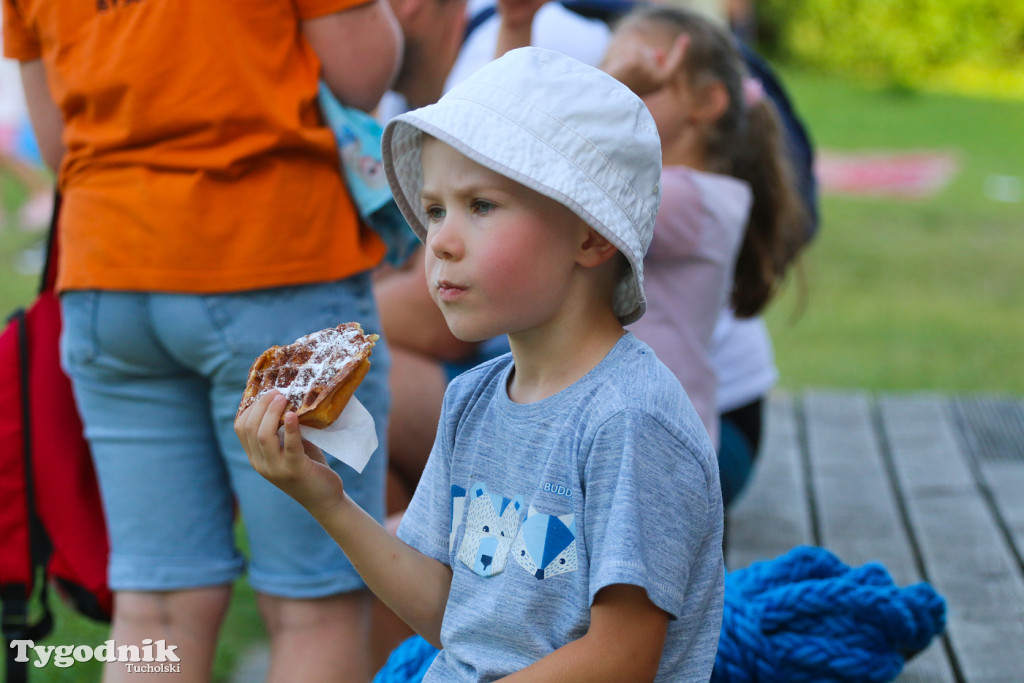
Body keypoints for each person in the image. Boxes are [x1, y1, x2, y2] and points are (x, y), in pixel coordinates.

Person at [237, 47, 724, 681]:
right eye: (435, 209)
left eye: (481, 206)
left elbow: (622, 658)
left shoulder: (629, 421)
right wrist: (326, 500)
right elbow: (455, 619)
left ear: (591, 235)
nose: (438, 239)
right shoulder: (473, 399)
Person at [3, 0, 402, 680]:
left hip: (109, 279)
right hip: (274, 262)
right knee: (317, 602)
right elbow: (361, 72)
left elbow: (59, 141)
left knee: (155, 605)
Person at [603, 5, 806, 465]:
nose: (619, 93)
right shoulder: (687, 196)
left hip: (653, 447)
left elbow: (560, 187)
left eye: (642, 79)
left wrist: (605, 91)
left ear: (706, 101)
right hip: (641, 433)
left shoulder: (687, 200)